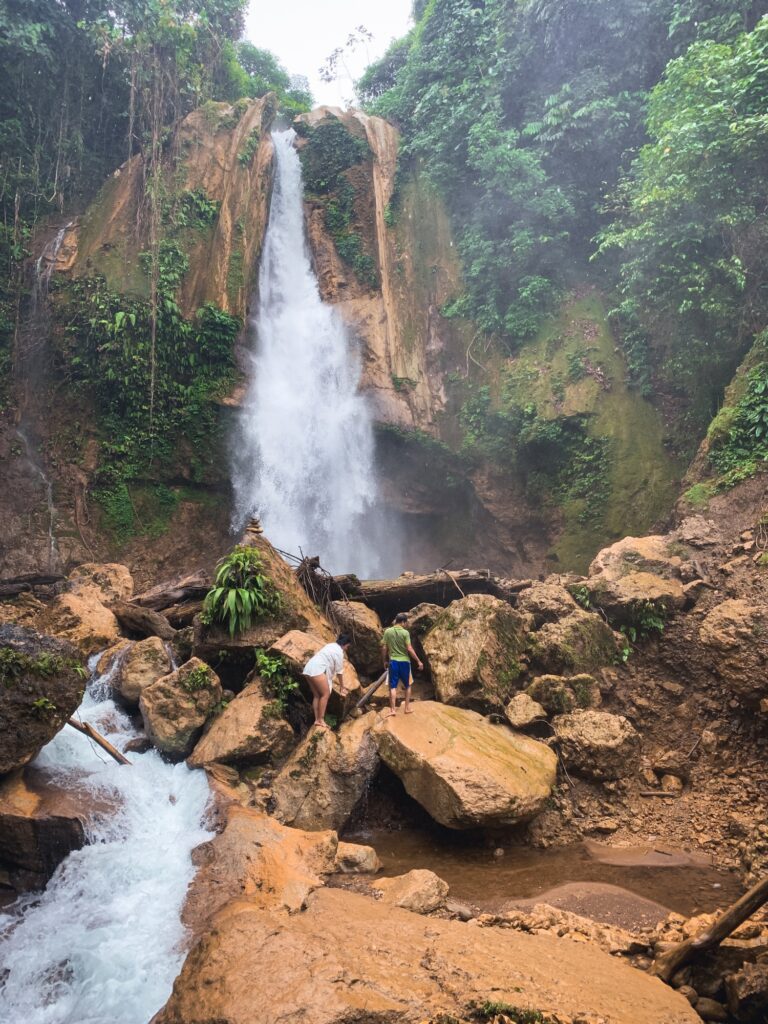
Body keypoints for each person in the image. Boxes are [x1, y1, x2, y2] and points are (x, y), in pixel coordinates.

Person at [303, 634, 351, 729]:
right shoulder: (339, 652)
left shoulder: (330, 645)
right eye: (347, 646)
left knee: (317, 695)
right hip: (317, 670)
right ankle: (321, 720)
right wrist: (342, 687)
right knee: (325, 694)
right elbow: (339, 672)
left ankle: (317, 720)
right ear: (344, 644)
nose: (347, 649)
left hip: (308, 669)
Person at [381, 612, 423, 718]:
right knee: (408, 685)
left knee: (392, 686)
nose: (405, 625)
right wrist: (418, 661)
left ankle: (392, 710)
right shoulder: (405, 633)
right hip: (405, 662)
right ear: (403, 622)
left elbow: (384, 648)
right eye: (405, 623)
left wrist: (384, 660)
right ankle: (407, 708)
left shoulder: (387, 632)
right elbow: (409, 648)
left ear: (396, 620)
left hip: (393, 661)